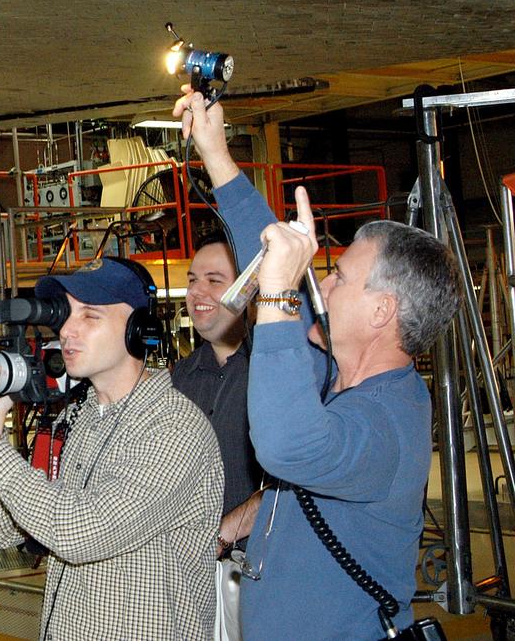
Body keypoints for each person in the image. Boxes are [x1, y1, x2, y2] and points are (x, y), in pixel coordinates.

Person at [175, 86, 462, 639]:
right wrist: (216, 152)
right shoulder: (341, 378)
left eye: (339, 277)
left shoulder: (388, 422)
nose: (322, 285)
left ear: (382, 311)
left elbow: (287, 447)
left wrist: (279, 294)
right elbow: (265, 255)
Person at [0, 258, 223, 640]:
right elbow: (0, 531)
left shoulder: (176, 427)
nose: (67, 329)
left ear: (138, 330)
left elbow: (83, 532)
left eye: (90, 315)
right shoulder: (82, 417)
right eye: (67, 314)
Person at [170, 232, 262, 552]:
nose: (197, 291)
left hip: (260, 566)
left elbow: (296, 483)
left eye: (214, 280)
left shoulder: (274, 374)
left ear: (248, 291)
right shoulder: (181, 378)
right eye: (193, 279)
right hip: (190, 567)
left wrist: (224, 533)